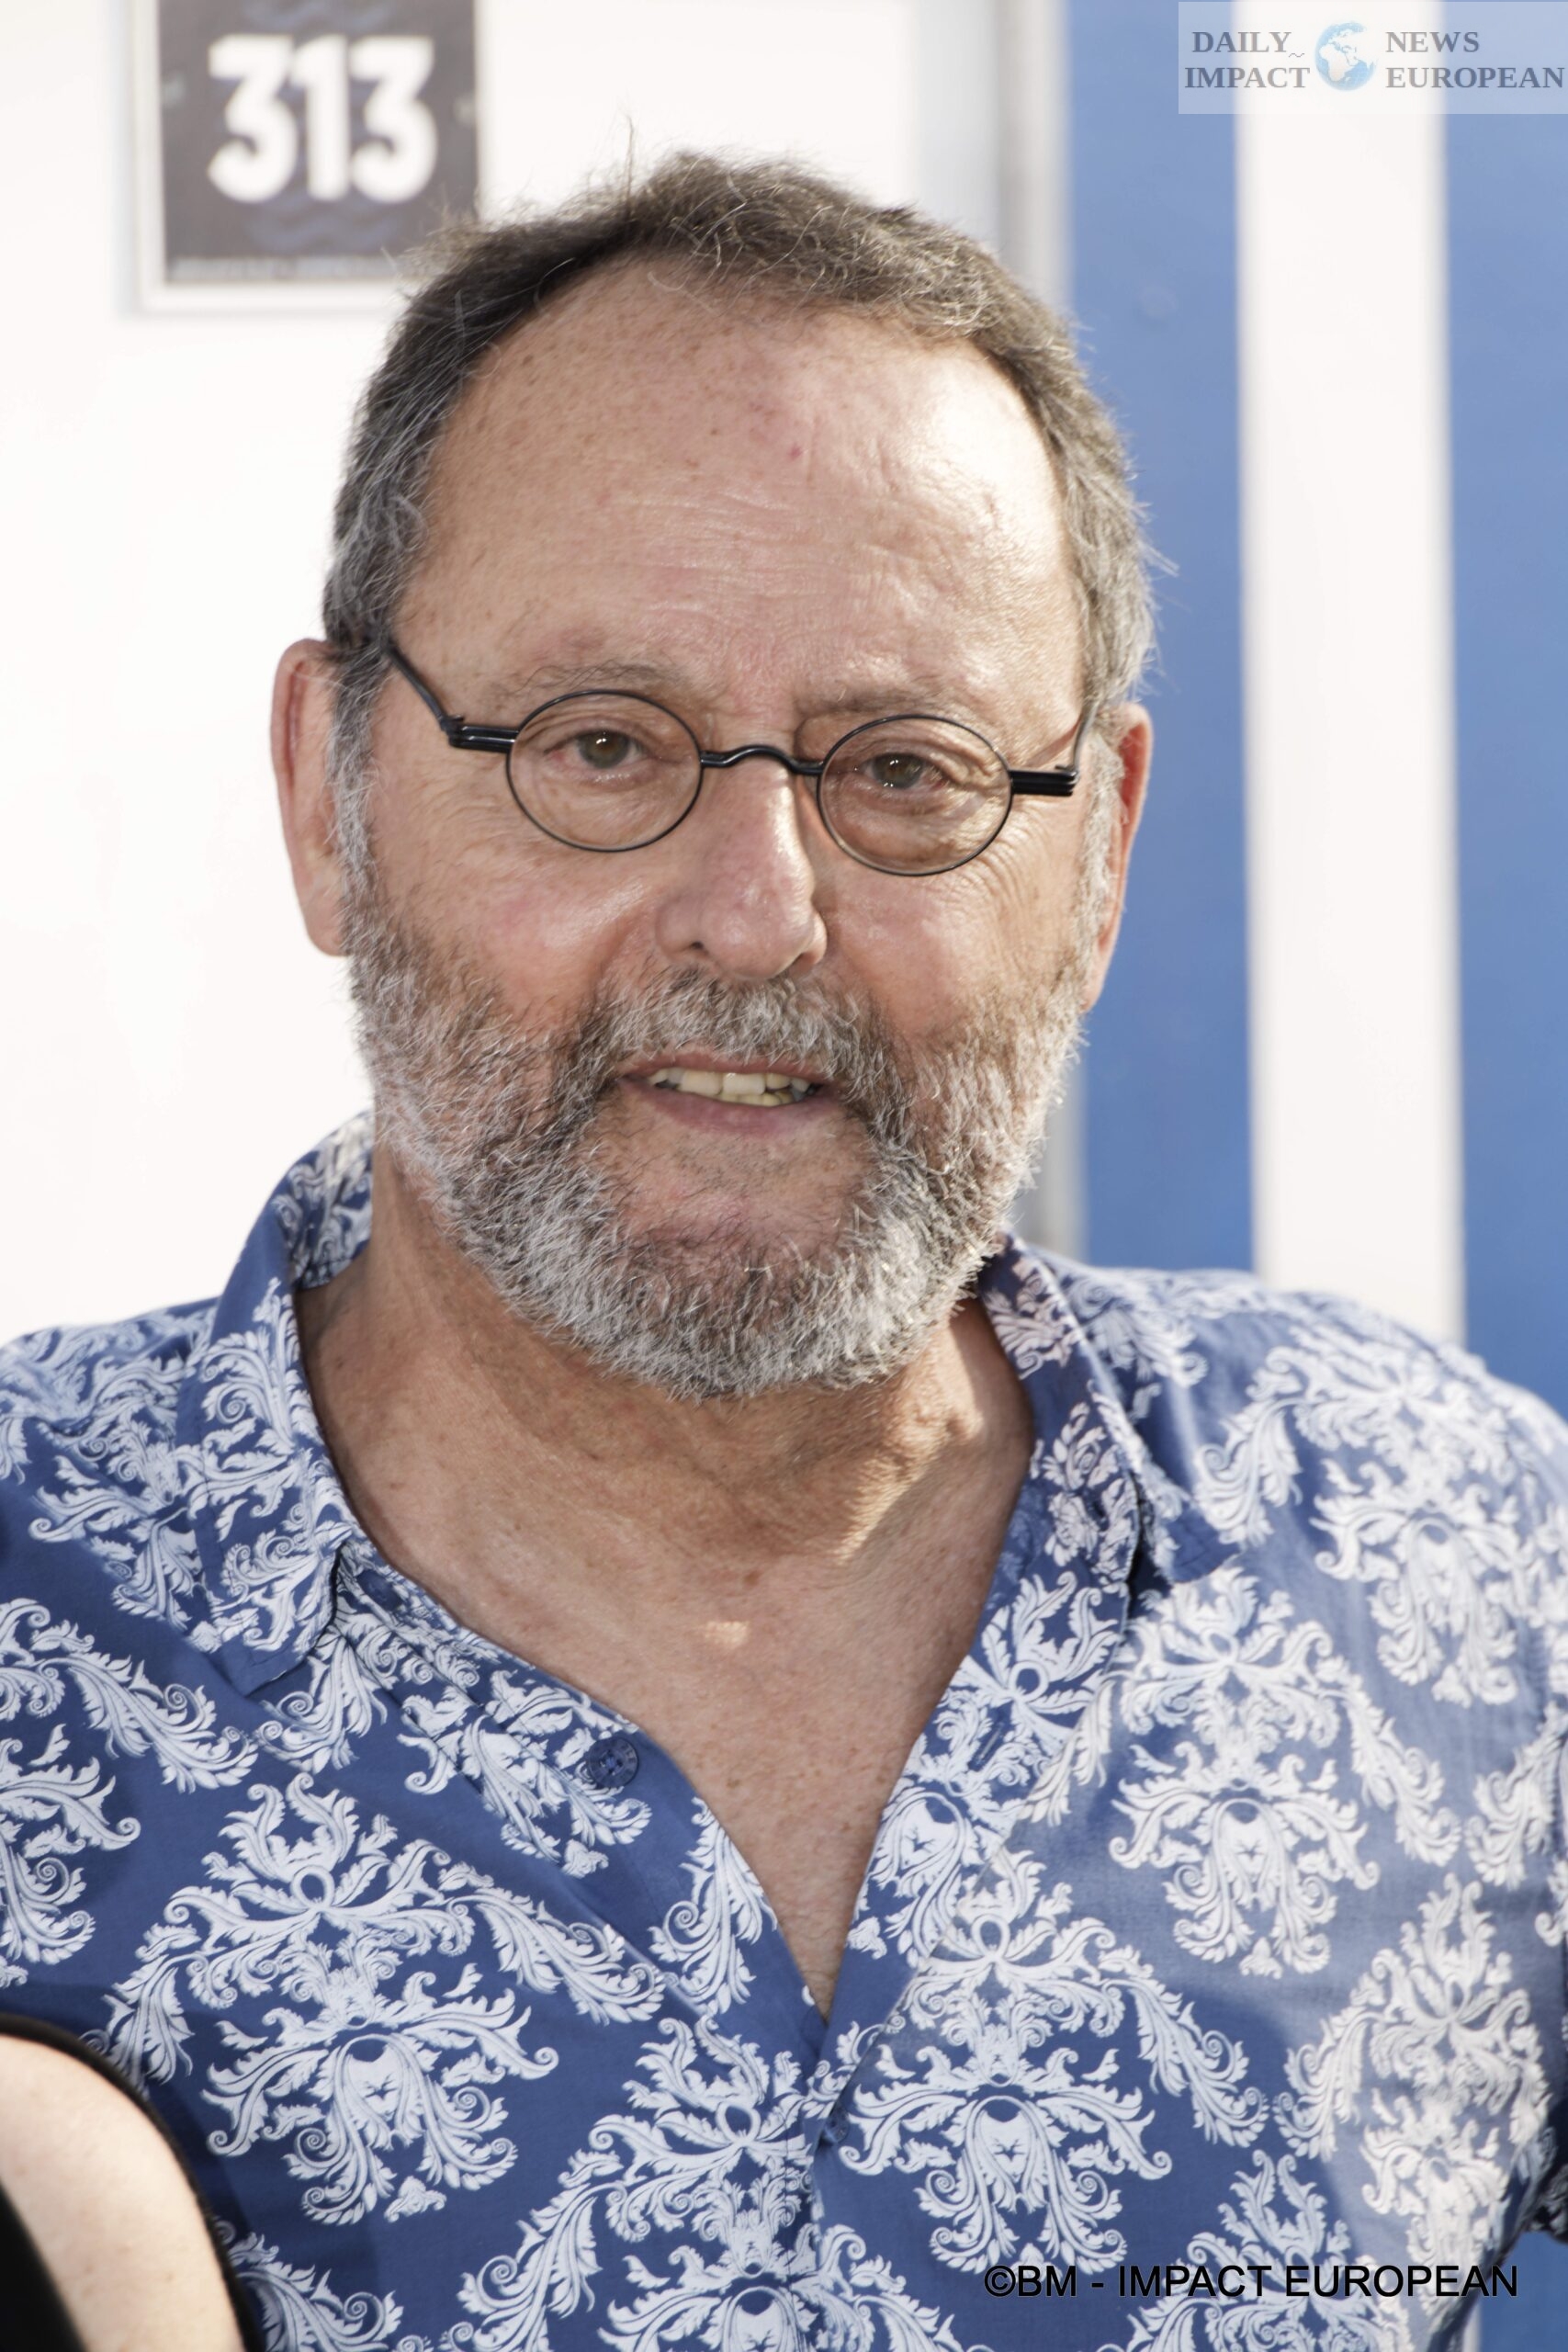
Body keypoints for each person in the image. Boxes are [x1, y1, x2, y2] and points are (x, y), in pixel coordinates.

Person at [0, 151, 1563, 2352]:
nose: (756, 914)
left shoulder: (1454, 1557)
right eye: (599, 745)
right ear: (324, 793)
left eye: (904, 769)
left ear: (1097, 855)